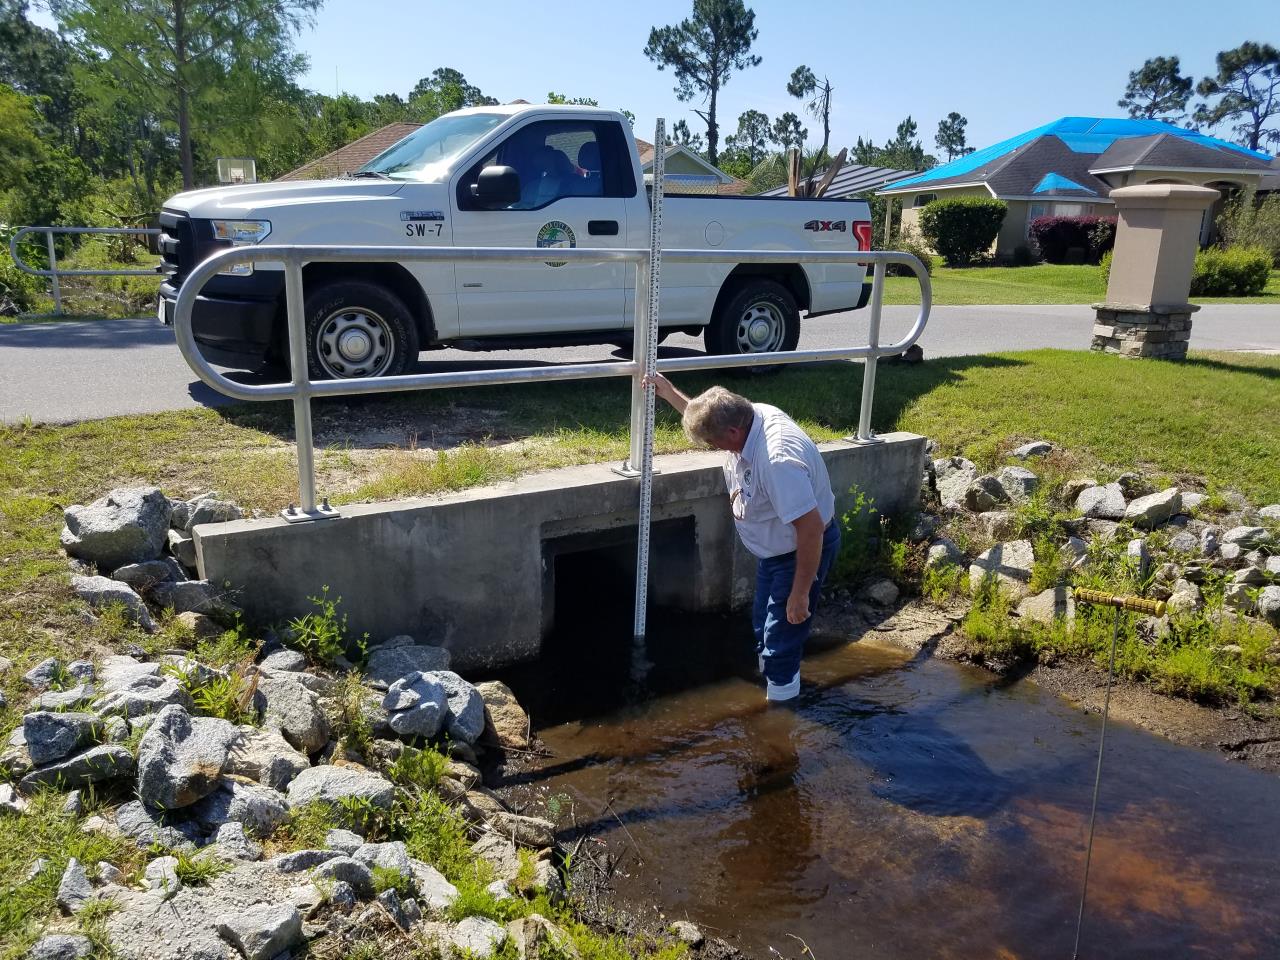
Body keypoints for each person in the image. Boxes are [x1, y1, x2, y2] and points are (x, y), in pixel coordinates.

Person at [646, 374, 840, 702]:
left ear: (734, 432)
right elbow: (708, 415)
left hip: (798, 552)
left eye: (714, 444)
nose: (713, 449)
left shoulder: (778, 461)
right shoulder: (746, 414)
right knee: (762, 629)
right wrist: (669, 394)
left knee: (782, 638)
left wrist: (800, 593)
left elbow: (810, 530)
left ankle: (780, 726)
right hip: (776, 552)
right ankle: (779, 684)